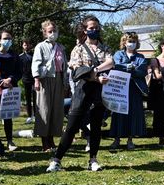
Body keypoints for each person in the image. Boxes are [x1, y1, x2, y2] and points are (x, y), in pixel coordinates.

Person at [46, 15, 114, 172]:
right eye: (91, 28)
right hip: (82, 91)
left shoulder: (106, 48)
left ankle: (93, 159)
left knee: (96, 126)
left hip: (100, 92)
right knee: (72, 125)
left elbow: (111, 62)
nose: (94, 30)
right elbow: (77, 71)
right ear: (84, 29)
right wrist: (96, 73)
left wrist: (92, 72)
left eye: (96, 27)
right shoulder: (78, 49)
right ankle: (57, 159)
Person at [32, 20, 67, 152]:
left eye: (54, 31)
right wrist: (36, 79)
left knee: (56, 110)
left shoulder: (61, 47)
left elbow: (65, 65)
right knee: (44, 109)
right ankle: (44, 141)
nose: (53, 33)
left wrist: (65, 83)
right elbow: (36, 64)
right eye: (50, 31)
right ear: (45, 33)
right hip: (45, 79)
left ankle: (52, 139)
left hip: (58, 78)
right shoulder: (40, 46)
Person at [109, 32, 148, 151]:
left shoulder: (140, 57)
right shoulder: (118, 54)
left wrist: (130, 69)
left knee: (133, 113)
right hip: (120, 88)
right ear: (124, 42)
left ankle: (130, 139)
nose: (132, 43)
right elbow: (116, 66)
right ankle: (116, 139)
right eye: (129, 41)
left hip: (135, 89)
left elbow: (142, 70)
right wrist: (128, 67)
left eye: (134, 41)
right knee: (118, 113)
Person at [0, 29, 21, 156]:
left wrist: (11, 79)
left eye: (10, 38)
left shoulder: (15, 55)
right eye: (5, 38)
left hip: (10, 89)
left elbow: (18, 71)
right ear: (0, 40)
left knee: (8, 116)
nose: (8, 41)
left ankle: (10, 141)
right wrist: (0, 81)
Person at [20, 39, 36, 124]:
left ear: (30, 45)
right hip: (26, 79)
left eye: (27, 44)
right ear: (22, 46)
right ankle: (29, 116)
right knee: (28, 98)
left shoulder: (34, 55)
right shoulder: (20, 57)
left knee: (35, 97)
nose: (26, 46)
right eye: (25, 45)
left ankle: (36, 115)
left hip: (34, 79)